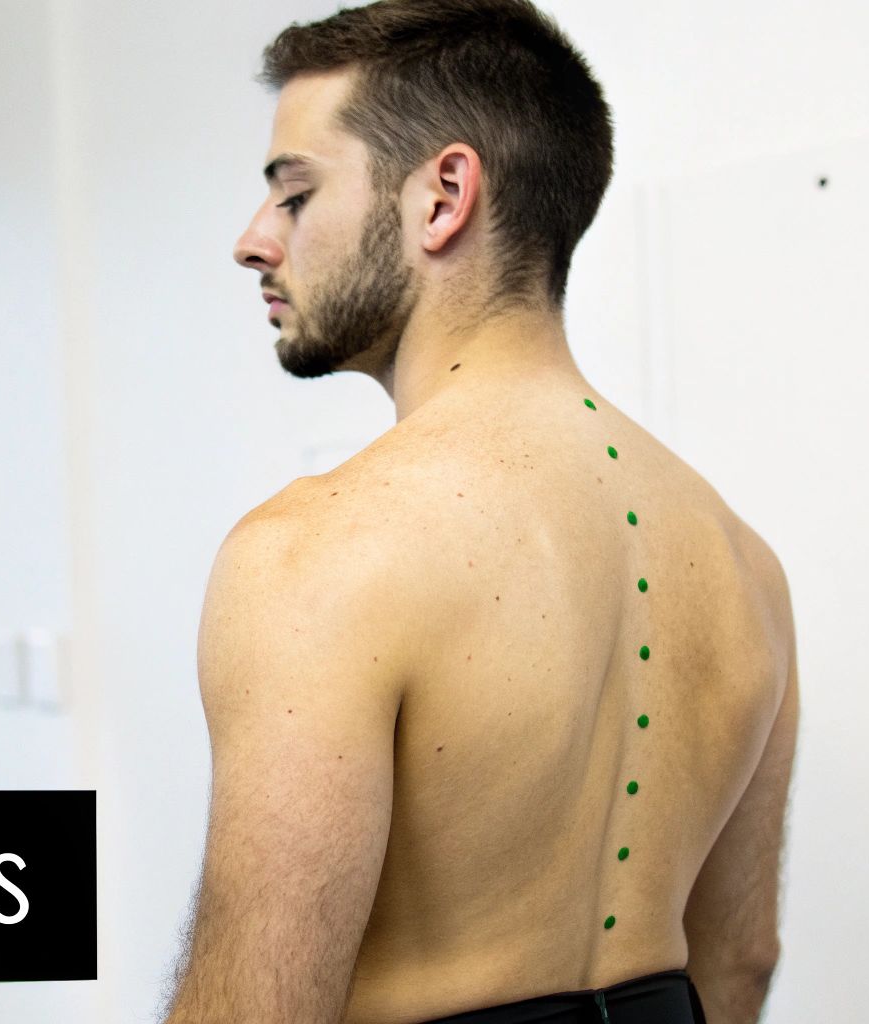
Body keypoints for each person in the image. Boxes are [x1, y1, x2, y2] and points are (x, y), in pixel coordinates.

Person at [161, 2, 799, 1021]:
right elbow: (742, 960)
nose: (252, 242)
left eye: (293, 192)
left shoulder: (316, 552)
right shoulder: (742, 564)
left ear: (442, 196)